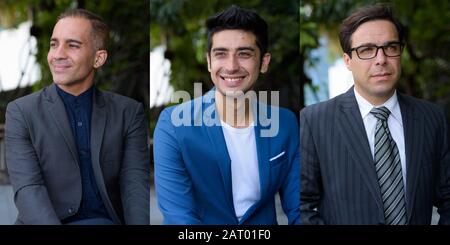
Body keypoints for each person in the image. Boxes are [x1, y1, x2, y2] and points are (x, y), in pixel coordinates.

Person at [300, 4, 450, 225]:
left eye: (390, 47)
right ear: (347, 60)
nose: (381, 59)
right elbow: (302, 204)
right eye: (367, 50)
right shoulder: (315, 121)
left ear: (401, 52)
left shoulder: (431, 118)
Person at [153, 5, 300, 225]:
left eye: (244, 54)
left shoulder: (285, 123)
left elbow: (299, 208)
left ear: (264, 62)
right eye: (221, 54)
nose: (231, 66)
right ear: (209, 61)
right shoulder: (173, 124)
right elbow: (180, 218)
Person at [5, 9, 150, 225]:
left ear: (98, 58)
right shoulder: (22, 112)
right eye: (54, 44)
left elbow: (135, 186)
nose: (58, 54)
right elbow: (28, 189)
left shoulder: (128, 112)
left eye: (72, 45)